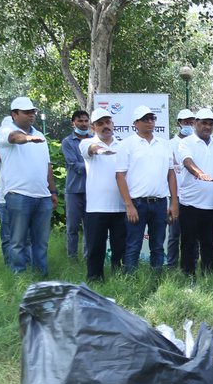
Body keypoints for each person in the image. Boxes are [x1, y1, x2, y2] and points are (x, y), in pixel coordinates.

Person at [0, 96, 56, 276]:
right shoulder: (5, 130)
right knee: (18, 242)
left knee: (41, 242)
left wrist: (52, 191)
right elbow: (14, 138)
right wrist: (28, 138)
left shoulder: (39, 135)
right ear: (14, 114)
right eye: (27, 112)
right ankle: (19, 278)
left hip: (43, 196)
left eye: (33, 112)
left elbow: (47, 166)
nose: (32, 115)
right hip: (18, 195)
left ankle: (40, 277)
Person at [115, 105, 179, 272]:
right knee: (133, 246)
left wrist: (173, 202)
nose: (150, 122)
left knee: (158, 246)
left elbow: (171, 174)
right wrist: (129, 205)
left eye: (152, 118)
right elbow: (120, 176)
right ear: (135, 123)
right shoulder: (127, 145)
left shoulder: (164, 144)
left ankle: (157, 284)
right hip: (137, 204)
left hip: (159, 203)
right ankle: (130, 282)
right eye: (145, 119)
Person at [177, 107, 213, 277]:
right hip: (190, 204)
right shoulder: (186, 142)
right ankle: (187, 276)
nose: (207, 127)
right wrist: (200, 173)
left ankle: (207, 276)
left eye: (211, 124)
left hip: (212, 204)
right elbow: (187, 162)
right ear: (196, 123)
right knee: (188, 243)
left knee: (209, 243)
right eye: (204, 123)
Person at [80, 108, 126, 281]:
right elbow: (92, 149)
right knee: (95, 248)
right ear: (93, 127)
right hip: (96, 207)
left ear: (113, 124)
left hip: (121, 206)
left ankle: (119, 279)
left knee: (120, 248)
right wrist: (100, 150)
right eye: (100, 123)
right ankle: (94, 279)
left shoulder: (123, 146)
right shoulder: (86, 143)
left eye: (108, 122)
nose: (105, 126)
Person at [164, 108, 195, 268]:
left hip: (193, 195)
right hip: (174, 195)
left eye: (191, 121)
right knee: (174, 233)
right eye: (185, 122)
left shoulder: (197, 143)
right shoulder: (169, 144)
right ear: (178, 123)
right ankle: (171, 264)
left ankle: (191, 264)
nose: (189, 124)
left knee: (192, 234)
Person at [61, 108, 91, 260]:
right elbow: (74, 165)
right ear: (73, 123)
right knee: (72, 227)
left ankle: (87, 258)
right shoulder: (67, 142)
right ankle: (71, 258)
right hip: (73, 190)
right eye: (80, 121)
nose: (84, 124)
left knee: (89, 227)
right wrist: (92, 164)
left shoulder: (94, 140)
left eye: (86, 121)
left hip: (92, 190)